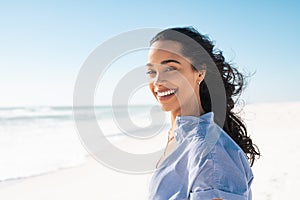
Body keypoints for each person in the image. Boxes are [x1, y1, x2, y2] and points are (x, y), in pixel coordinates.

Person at [146, 27, 260, 200]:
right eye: (151, 71)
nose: (158, 81)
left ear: (199, 72)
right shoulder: (179, 135)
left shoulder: (209, 152)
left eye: (170, 68)